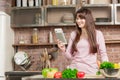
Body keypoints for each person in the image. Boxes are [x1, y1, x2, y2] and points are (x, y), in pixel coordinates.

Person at [57, 7, 109, 74]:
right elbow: (69, 57)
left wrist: (107, 69)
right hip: (75, 71)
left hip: (91, 72)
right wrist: (64, 50)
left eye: (81, 18)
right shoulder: (73, 34)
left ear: (88, 19)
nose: (78, 21)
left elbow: (103, 54)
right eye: (77, 18)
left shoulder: (98, 34)